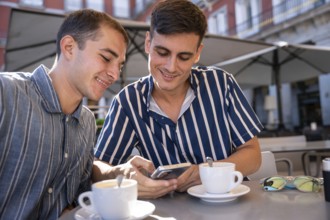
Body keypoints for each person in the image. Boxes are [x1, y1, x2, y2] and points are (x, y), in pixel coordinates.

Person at [95, 0, 263, 199]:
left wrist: (206, 172)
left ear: (198, 53)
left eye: (183, 57)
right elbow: (98, 166)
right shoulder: (127, 102)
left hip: (230, 204)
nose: (171, 67)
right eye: (162, 52)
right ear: (148, 43)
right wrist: (123, 173)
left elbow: (253, 155)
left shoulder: (221, 84)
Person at [0, 9, 130, 219]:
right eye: (106, 58)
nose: (115, 74)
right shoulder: (6, 94)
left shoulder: (87, 121)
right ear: (69, 47)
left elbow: (79, 199)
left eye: (120, 65)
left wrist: (118, 174)